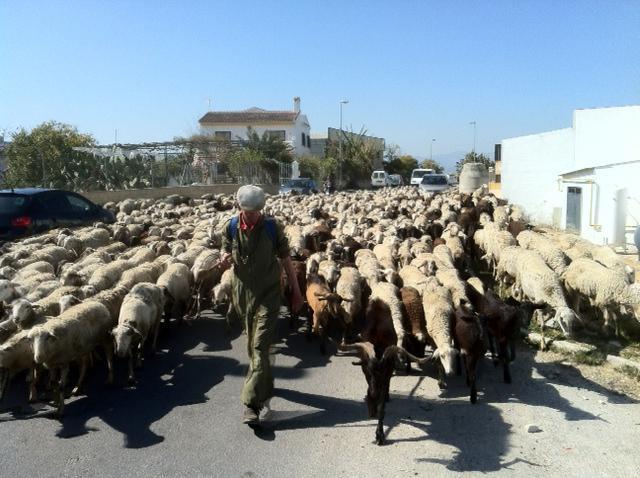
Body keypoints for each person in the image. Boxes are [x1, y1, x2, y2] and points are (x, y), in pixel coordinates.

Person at [220, 185, 303, 426]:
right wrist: (224, 258)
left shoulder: (271, 227)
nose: (254, 215)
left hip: (269, 293)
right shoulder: (231, 227)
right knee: (253, 346)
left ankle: (251, 404)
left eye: (258, 210)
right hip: (243, 294)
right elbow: (224, 249)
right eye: (250, 211)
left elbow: (286, 259)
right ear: (240, 208)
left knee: (258, 346)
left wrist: (296, 293)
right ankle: (264, 386)